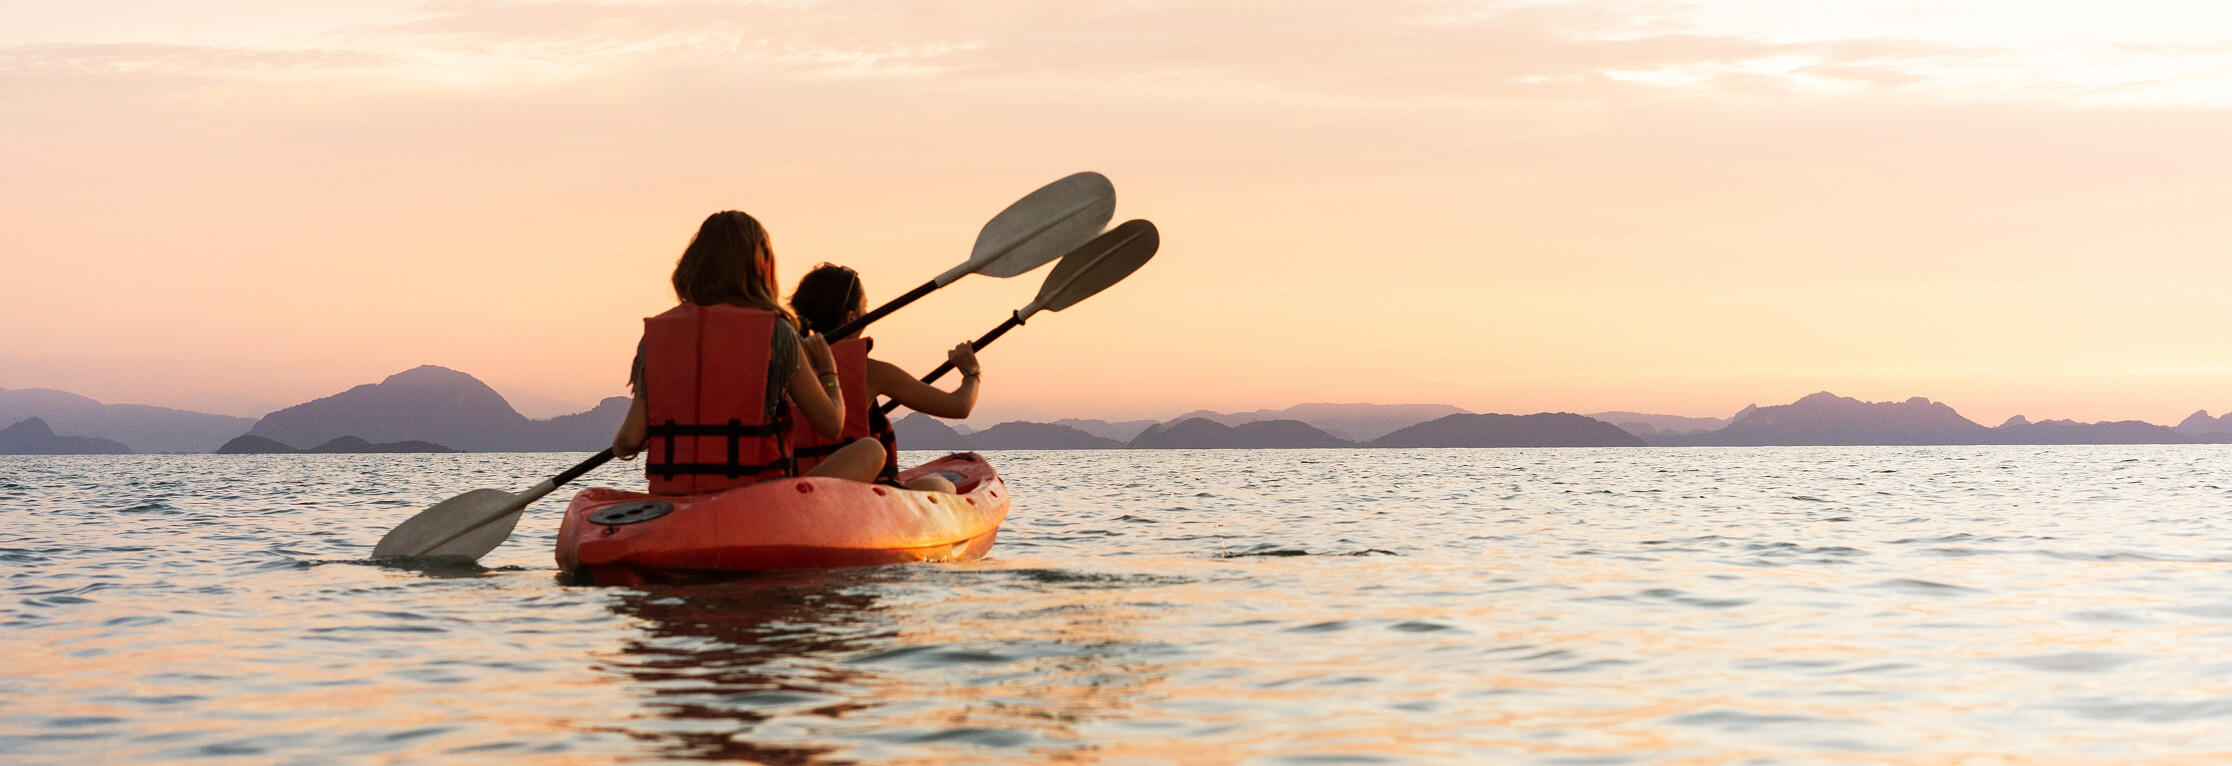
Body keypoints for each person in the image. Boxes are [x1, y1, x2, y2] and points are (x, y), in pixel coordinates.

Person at [610, 212, 885, 494]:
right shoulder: (777, 333)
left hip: (675, 500)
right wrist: (828, 370)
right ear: (761, 267)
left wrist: (656, 437)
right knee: (871, 450)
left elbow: (628, 441)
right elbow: (832, 425)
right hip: (758, 499)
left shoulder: (655, 337)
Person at [788, 263, 981, 493]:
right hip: (859, 496)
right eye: (865, 308)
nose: (868, 315)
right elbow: (959, 406)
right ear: (851, 317)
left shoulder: (785, 365)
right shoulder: (872, 372)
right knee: (941, 486)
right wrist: (971, 372)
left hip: (795, 490)